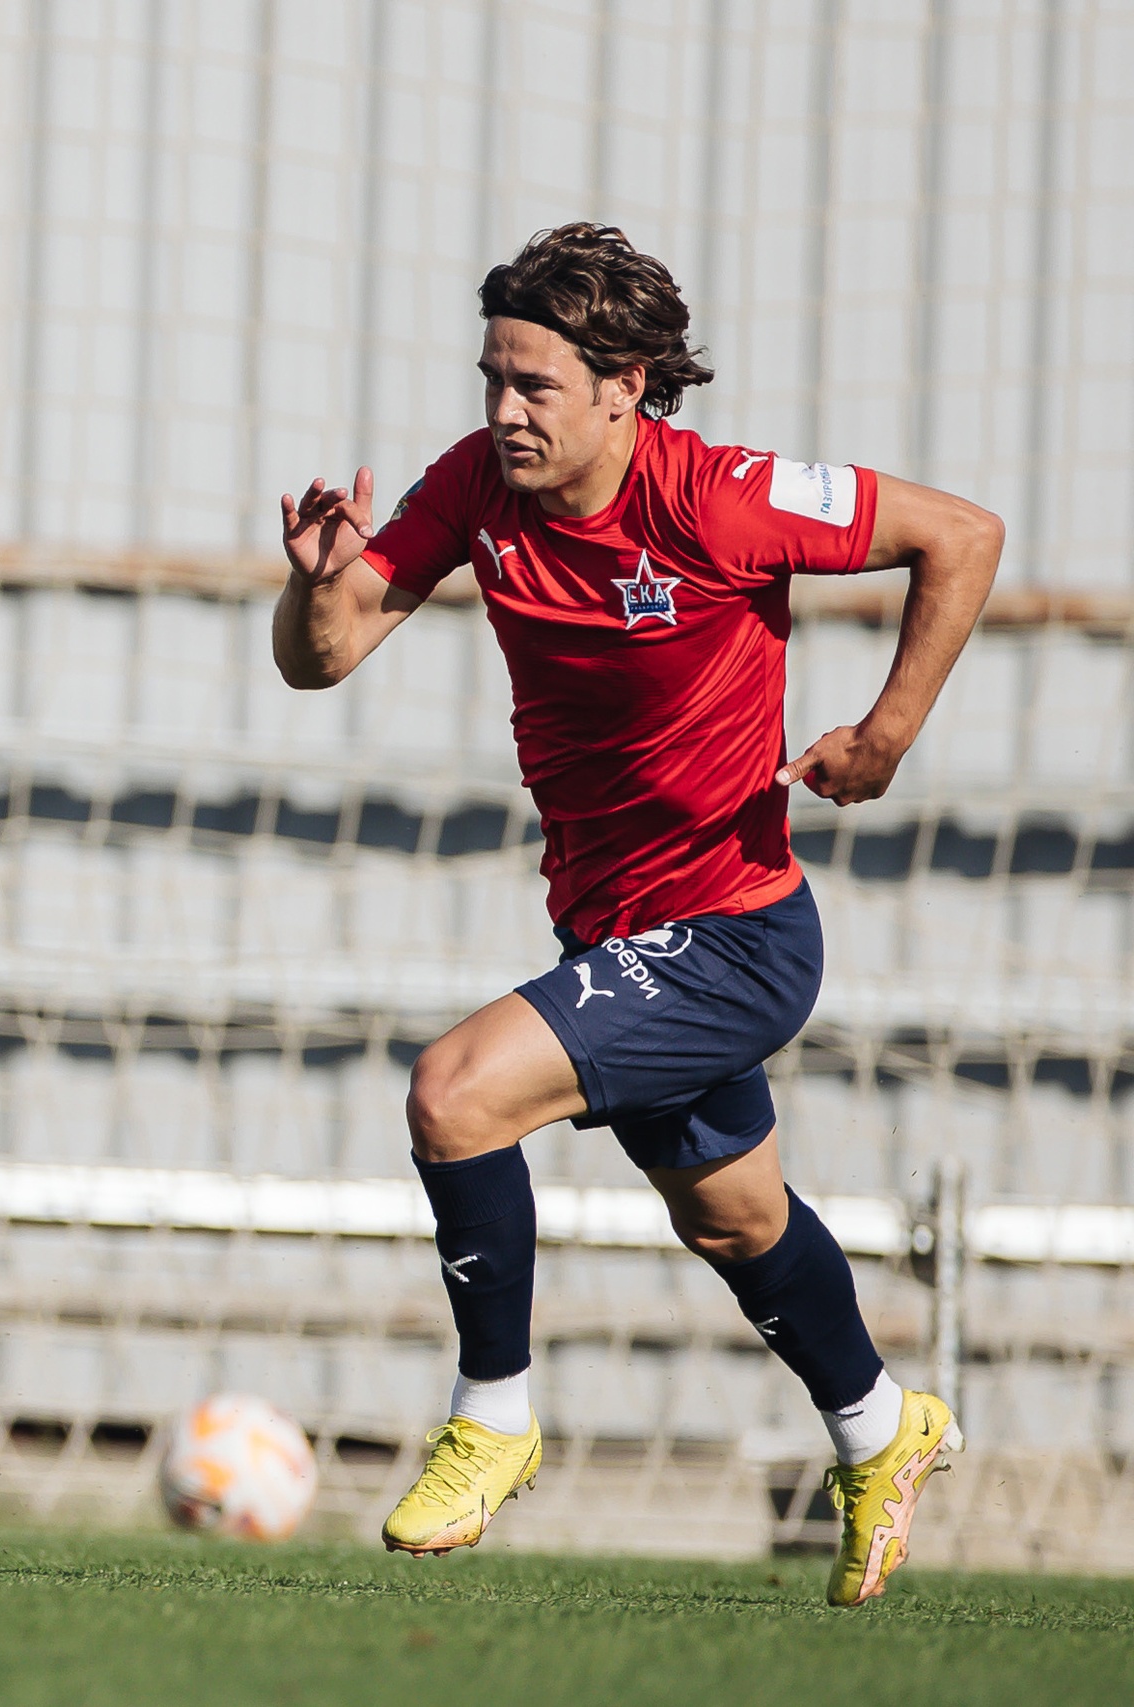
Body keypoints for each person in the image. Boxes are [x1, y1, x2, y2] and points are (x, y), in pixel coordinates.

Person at [272, 224, 1000, 1605]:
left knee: (454, 1095)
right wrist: (314, 584)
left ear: (627, 385)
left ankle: (491, 1417)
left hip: (734, 935)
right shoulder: (477, 488)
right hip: (612, 935)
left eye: (534, 385)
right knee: (734, 1221)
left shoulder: (723, 497)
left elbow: (962, 535)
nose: (503, 410)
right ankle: (878, 1426)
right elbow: (328, 657)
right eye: (494, 376)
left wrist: (886, 737)